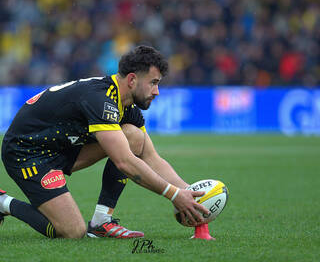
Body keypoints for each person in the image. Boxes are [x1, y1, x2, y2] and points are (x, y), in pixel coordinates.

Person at [0, 45, 209, 239]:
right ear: (132, 80)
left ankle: (102, 221)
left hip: (61, 149)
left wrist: (190, 192)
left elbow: (150, 157)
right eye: (153, 83)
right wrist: (173, 195)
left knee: (135, 137)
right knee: (72, 232)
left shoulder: (126, 107)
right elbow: (124, 162)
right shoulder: (100, 100)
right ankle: (4, 203)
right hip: (26, 153)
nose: (157, 92)